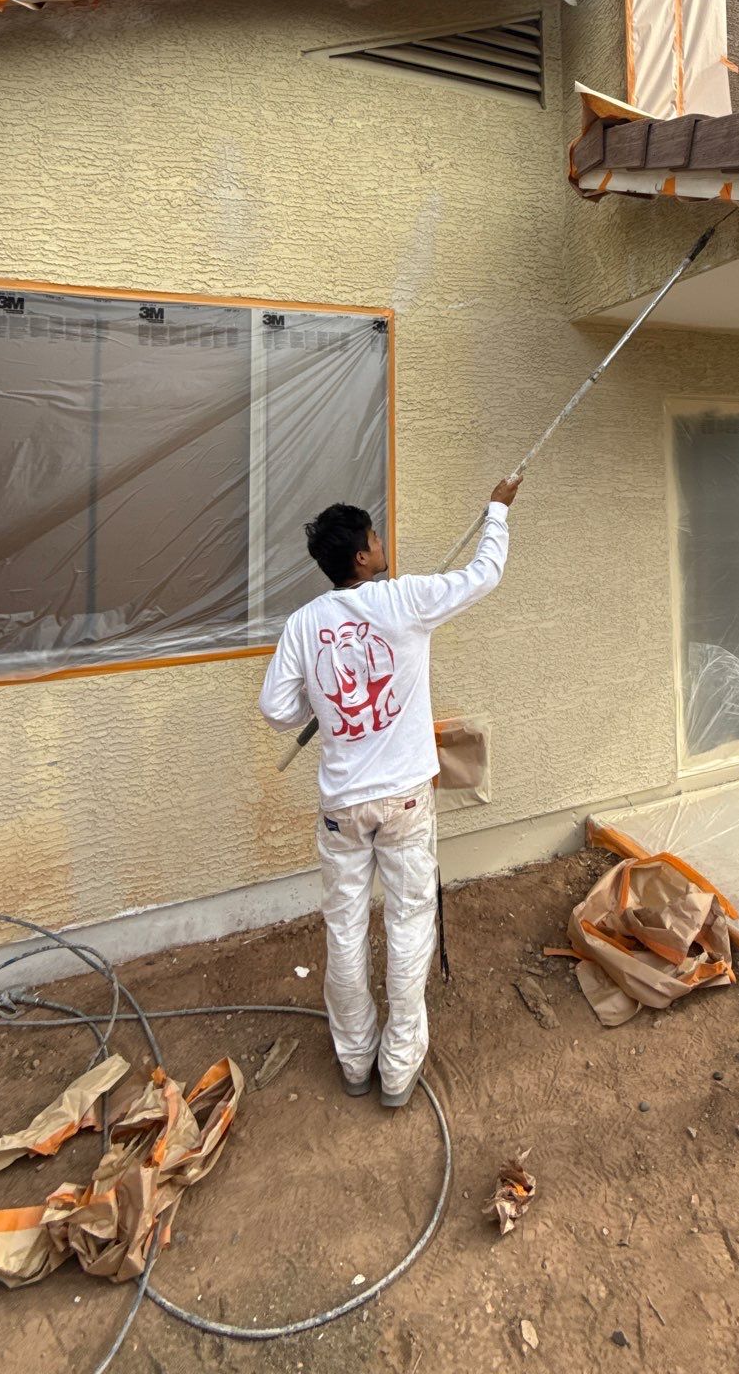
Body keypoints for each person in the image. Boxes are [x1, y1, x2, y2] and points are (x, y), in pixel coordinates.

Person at [259, 475, 521, 1108]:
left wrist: (318, 708)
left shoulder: (303, 624)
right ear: (361, 557)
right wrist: (497, 509)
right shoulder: (406, 600)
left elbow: (275, 708)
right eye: (376, 537)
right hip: (404, 800)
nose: (383, 544)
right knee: (408, 925)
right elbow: (484, 574)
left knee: (345, 928)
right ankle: (398, 1072)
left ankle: (355, 1063)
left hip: (342, 810)